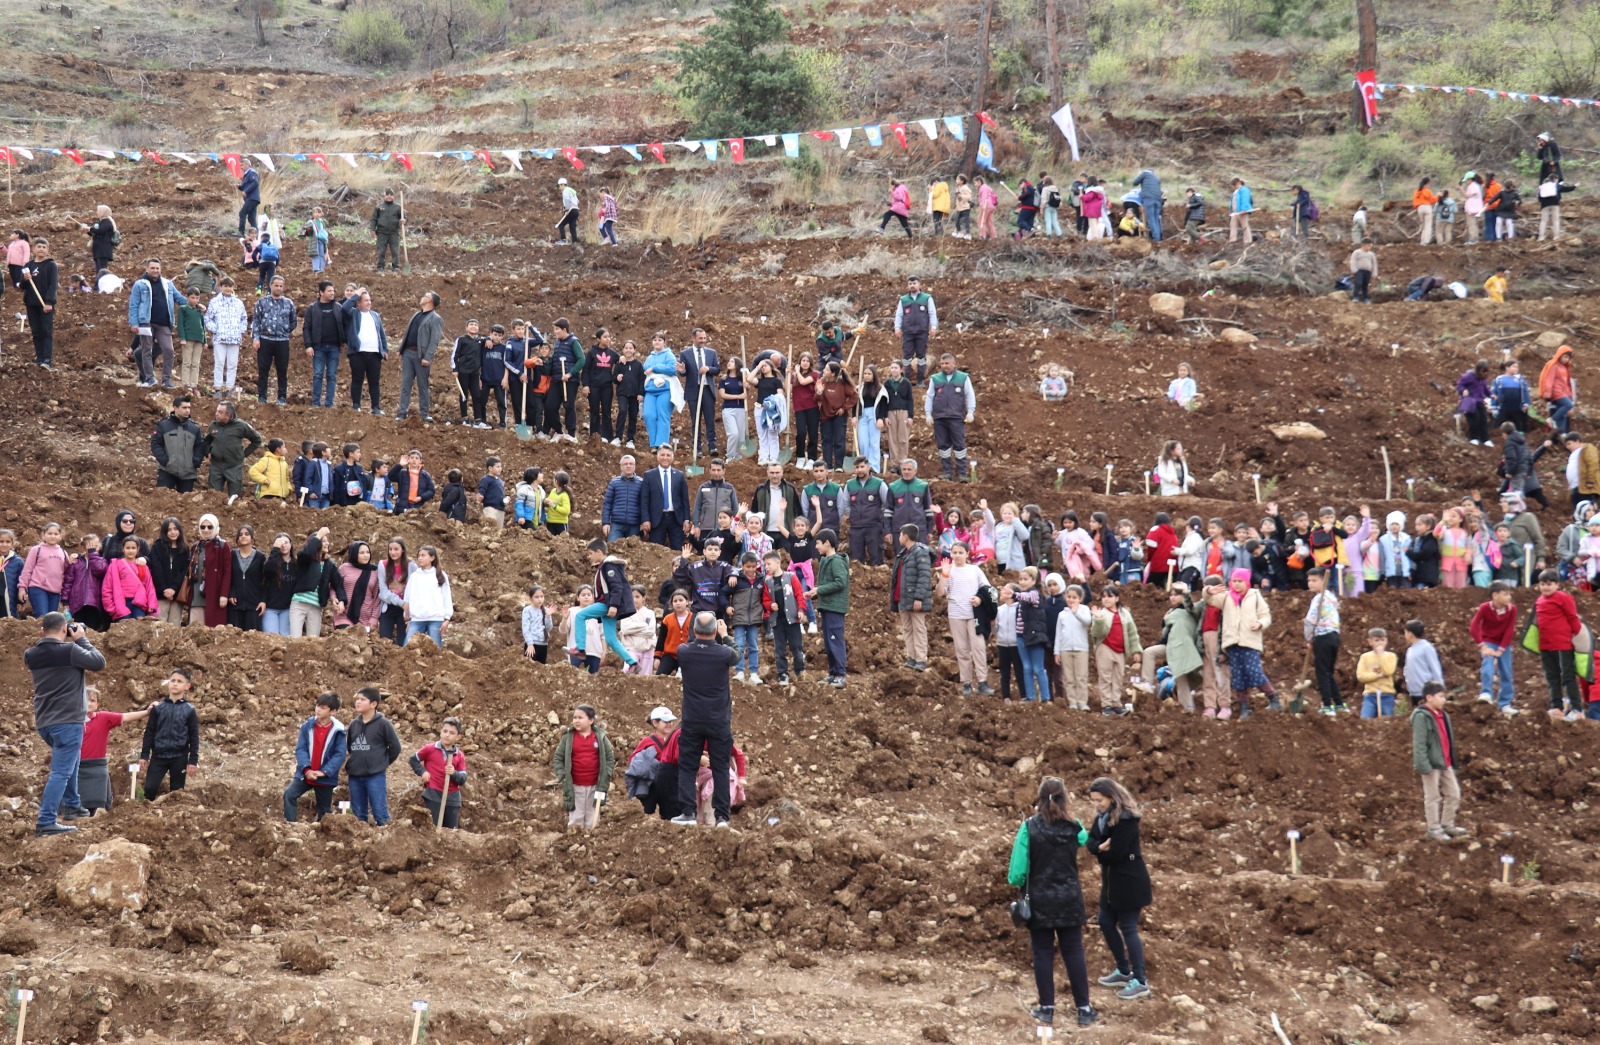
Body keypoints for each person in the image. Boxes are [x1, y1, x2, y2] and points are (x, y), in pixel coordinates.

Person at [1006, 777, 1100, 1029]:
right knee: (1074, 952)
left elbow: (1016, 873)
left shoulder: (1029, 827)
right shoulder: (1075, 827)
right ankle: (1084, 1009)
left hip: (1039, 901)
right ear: (1064, 798)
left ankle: (1046, 1009)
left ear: (1038, 799)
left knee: (1043, 953)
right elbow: (1085, 841)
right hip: (1069, 899)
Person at [26, 613, 106, 835]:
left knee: (72, 760)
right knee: (60, 772)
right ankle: (46, 821)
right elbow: (99, 662)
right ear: (65, 630)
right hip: (68, 721)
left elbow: (48, 649)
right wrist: (81, 638)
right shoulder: (70, 651)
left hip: (45, 723)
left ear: (42, 631)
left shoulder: (30, 655)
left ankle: (72, 804)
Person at [1084, 777, 1153, 1000]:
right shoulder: (1102, 819)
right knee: (1105, 922)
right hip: (1111, 884)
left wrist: (1101, 851)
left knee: (1129, 927)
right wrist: (1099, 848)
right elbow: (1090, 840)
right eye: (1094, 801)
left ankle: (1140, 980)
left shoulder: (1126, 820)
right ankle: (1124, 970)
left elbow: (1117, 853)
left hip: (1129, 883)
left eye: (1099, 800)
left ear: (1111, 797)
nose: (1097, 805)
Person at [670, 612, 741, 828]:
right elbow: (737, 656)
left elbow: (690, 645)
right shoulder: (723, 653)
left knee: (687, 765)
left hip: (692, 719)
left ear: (693, 631)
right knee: (720, 767)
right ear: (714, 631)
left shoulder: (684, 651)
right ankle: (722, 817)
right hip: (718, 720)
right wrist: (725, 635)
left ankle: (688, 813)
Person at [1207, 568, 1278, 718]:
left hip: (1250, 641)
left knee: (1254, 672)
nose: (1237, 584)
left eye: (1240, 581)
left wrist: (1260, 623)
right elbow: (1210, 600)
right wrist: (1208, 590)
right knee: (1238, 678)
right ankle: (1244, 709)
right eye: (1234, 581)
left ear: (1246, 582)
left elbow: (1265, 615)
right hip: (1232, 643)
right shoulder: (1226, 597)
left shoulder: (1255, 596)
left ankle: (1273, 699)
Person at [77, 687, 150, 816]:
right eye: (85, 700)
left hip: (97, 768)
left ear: (98, 704)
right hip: (77, 768)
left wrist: (147, 712)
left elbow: (125, 716)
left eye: (93, 700)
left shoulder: (103, 718)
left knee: (98, 804)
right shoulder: (72, 721)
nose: (89, 703)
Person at [1409, 682, 1467, 843]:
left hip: (1445, 762)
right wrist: (1423, 765)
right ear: (1429, 697)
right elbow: (1419, 744)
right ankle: (1434, 828)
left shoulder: (1443, 715)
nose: (1444, 700)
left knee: (1454, 794)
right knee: (1433, 797)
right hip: (1431, 764)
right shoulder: (1421, 716)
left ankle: (1447, 824)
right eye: (1441, 696)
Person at [573, 539, 639, 671]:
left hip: (607, 604)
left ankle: (580, 649)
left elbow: (616, 586)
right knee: (610, 639)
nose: (589, 557)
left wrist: (614, 605)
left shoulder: (608, 566)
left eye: (590, 553)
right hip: (608, 605)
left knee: (580, 616)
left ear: (599, 552)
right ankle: (632, 662)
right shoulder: (603, 567)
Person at [281, 693, 347, 824]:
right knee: (289, 794)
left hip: (325, 778)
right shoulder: (307, 726)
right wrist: (306, 769)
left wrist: (324, 772)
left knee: (325, 810)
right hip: (305, 774)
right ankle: (290, 825)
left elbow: (339, 755)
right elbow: (301, 749)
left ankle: (321, 835)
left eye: (323, 707)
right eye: (317, 706)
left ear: (333, 711)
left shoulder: (338, 731)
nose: (318, 709)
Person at [339, 687, 401, 826]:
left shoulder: (383, 724)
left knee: (380, 813)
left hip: (375, 775)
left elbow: (395, 748)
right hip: (355, 775)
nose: (358, 702)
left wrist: (382, 763)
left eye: (362, 699)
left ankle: (385, 842)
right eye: (357, 699)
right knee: (358, 815)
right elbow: (350, 747)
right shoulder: (354, 724)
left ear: (373, 704)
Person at [1532, 569, 1585, 719]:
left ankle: (1577, 709)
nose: (1546, 587)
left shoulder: (1563, 598)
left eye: (1549, 584)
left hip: (1563, 644)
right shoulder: (1539, 600)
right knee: (1551, 677)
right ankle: (1556, 707)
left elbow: (1572, 617)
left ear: (1557, 585)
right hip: (1546, 645)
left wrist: (1578, 635)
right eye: (1542, 584)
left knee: (1567, 676)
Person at [140, 668, 200, 801]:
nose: (175, 683)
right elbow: (149, 732)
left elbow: (194, 736)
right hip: (158, 756)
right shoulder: (158, 708)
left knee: (177, 793)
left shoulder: (189, 710)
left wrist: (193, 760)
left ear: (187, 686)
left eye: (179, 681)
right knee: (149, 789)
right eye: (172, 680)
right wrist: (144, 755)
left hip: (179, 757)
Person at [553, 704, 614, 831]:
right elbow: (558, 758)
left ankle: (591, 843)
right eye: (574, 717)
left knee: (593, 819)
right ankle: (575, 843)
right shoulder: (568, 738)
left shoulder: (600, 738)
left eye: (580, 717)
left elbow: (609, 758)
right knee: (576, 818)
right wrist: (562, 775)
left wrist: (606, 775)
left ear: (591, 720)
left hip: (595, 786)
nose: (576, 720)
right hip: (575, 786)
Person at [127, 257, 187, 388]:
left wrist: (195, 304)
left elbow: (179, 298)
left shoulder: (167, 284)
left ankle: (166, 380)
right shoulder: (139, 284)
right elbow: (133, 305)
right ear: (147, 269)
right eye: (152, 268)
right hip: (146, 322)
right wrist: (134, 323)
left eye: (157, 268)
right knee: (146, 350)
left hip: (164, 323)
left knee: (169, 350)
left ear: (161, 269)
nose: (155, 270)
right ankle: (150, 379)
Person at [925, 353, 976, 482]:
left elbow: (969, 395)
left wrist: (970, 412)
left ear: (954, 364)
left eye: (947, 363)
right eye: (942, 364)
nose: (944, 366)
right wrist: (928, 413)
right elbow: (930, 396)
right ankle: (947, 472)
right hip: (940, 417)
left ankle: (962, 473)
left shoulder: (963, 378)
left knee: (959, 445)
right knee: (943, 446)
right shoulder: (935, 379)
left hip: (957, 417)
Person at [410, 717, 468, 829]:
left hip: (452, 798)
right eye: (445, 731)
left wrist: (454, 773)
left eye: (452, 733)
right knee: (433, 827)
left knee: (451, 831)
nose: (447, 735)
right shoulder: (430, 749)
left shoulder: (459, 755)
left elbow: (462, 778)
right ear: (440, 732)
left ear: (458, 737)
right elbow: (413, 760)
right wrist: (423, 772)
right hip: (433, 795)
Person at [396, 291, 444, 423]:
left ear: (430, 301)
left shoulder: (436, 318)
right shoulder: (416, 314)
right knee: (406, 384)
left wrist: (427, 357)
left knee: (423, 385)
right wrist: (401, 350)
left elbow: (434, 340)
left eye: (425, 296)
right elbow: (408, 333)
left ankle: (424, 413)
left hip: (421, 356)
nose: (422, 297)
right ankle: (402, 412)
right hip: (408, 353)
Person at [892, 524, 934, 671]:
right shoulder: (903, 553)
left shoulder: (920, 553)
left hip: (914, 598)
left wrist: (919, 598)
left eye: (900, 535)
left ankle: (921, 659)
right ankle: (911, 657)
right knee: (908, 629)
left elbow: (924, 576)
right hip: (902, 598)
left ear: (905, 536)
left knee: (918, 628)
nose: (898, 538)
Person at [249, 274, 295, 404]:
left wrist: (284, 330)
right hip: (265, 340)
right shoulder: (262, 302)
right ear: (270, 286)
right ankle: (262, 396)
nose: (278, 288)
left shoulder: (288, 303)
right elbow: (256, 321)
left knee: (282, 370)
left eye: (281, 286)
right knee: (263, 369)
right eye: (276, 285)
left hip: (282, 341)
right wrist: (256, 338)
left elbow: (293, 321)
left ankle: (281, 397)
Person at [201, 401, 263, 499]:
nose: (216, 414)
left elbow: (257, 440)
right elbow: (206, 441)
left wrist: (243, 454)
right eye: (217, 411)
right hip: (216, 466)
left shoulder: (241, 426)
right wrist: (207, 452)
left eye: (220, 412)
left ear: (228, 415)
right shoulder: (213, 425)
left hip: (233, 467)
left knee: (234, 497)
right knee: (213, 497)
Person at [342, 289, 387, 414]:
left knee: (374, 382)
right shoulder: (353, 313)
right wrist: (356, 294)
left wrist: (385, 349)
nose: (369, 303)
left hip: (374, 354)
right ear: (358, 303)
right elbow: (344, 308)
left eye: (369, 300)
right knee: (357, 379)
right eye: (366, 300)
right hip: (358, 353)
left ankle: (376, 407)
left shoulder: (375, 315)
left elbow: (381, 334)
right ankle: (356, 405)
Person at [678, 328, 720, 457]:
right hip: (693, 391)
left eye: (704, 338)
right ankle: (697, 448)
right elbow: (683, 373)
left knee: (709, 419)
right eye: (700, 338)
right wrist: (682, 371)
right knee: (695, 420)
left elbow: (717, 369)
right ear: (693, 339)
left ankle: (712, 446)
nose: (703, 341)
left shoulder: (711, 353)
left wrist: (708, 369)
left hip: (707, 389)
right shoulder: (685, 353)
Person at [641, 445, 691, 550]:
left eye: (668, 455)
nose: (665, 457)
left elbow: (685, 500)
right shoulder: (649, 475)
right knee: (656, 551)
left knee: (678, 550)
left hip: (676, 519)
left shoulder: (679, 475)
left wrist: (686, 519)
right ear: (657, 456)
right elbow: (644, 500)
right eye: (662, 455)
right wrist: (645, 519)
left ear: (672, 457)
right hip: (657, 520)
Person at [401, 545, 453, 648]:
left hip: (436, 619)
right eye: (419, 555)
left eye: (423, 555)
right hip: (417, 619)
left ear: (432, 558)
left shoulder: (440, 575)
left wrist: (447, 619)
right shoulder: (414, 577)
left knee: (436, 650)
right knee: (407, 647)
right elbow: (408, 598)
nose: (420, 558)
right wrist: (408, 619)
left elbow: (447, 598)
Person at [151, 396, 204, 493]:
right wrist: (166, 461)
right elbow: (156, 444)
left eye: (189, 407)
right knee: (162, 500)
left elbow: (199, 447)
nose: (187, 410)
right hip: (167, 471)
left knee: (185, 505)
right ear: (175, 408)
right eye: (184, 408)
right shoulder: (163, 425)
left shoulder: (194, 428)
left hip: (188, 474)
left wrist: (195, 462)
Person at [894, 275, 937, 384]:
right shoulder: (903, 300)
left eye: (914, 283)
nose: (912, 285)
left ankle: (920, 380)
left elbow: (932, 313)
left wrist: (933, 327)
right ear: (908, 286)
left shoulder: (927, 298)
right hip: (908, 333)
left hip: (922, 332)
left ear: (919, 284)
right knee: (907, 357)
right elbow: (899, 315)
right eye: (910, 284)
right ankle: (906, 380)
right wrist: (897, 328)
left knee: (921, 357)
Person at [1402, 619, 1444, 711]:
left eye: (1405, 632)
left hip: (1426, 692)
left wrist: (1440, 689)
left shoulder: (1426, 647)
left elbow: (1435, 668)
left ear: (1410, 634)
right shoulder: (1410, 650)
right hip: (1414, 692)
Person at [1539, 344, 1576, 435]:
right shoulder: (1553, 365)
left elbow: (1566, 384)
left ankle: (1561, 433)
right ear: (1559, 355)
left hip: (1562, 392)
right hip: (1556, 392)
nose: (1566, 359)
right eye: (1565, 357)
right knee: (1568, 404)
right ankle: (1552, 420)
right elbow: (1548, 378)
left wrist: (1569, 395)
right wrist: (1547, 392)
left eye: (1568, 358)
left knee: (1563, 412)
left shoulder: (1564, 367)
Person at [1457, 361, 1492, 446]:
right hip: (1470, 401)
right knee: (1473, 419)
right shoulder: (1469, 376)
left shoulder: (1483, 379)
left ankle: (1485, 438)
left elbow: (1485, 389)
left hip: (1480, 401)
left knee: (1483, 419)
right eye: (1483, 371)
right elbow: (1459, 384)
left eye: (1486, 371)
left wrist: (1491, 395)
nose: (1484, 373)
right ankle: (1473, 437)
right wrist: (1463, 390)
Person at [369, 189, 404, 271]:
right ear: (384, 196)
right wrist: (372, 229)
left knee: (395, 251)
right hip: (381, 233)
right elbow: (374, 219)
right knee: (381, 251)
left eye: (391, 195)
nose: (389, 196)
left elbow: (404, 217)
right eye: (387, 194)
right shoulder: (379, 207)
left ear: (393, 196)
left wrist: (403, 220)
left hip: (394, 233)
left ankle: (395, 267)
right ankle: (380, 267)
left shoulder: (398, 207)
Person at [235, 158, 260, 237]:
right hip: (253, 199)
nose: (241, 167)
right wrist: (240, 187)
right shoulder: (246, 175)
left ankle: (241, 232)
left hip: (252, 198)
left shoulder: (252, 173)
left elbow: (255, 183)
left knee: (242, 213)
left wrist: (246, 191)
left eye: (242, 165)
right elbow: (246, 186)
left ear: (247, 165)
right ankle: (256, 235)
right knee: (251, 218)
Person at [1348, 239, 1376, 304]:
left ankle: (1366, 298)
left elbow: (1374, 264)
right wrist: (1354, 270)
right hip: (1359, 271)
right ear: (1363, 245)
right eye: (1368, 245)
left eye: (1370, 246)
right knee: (1358, 283)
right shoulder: (1357, 252)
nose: (1369, 247)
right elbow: (1353, 261)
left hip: (1368, 271)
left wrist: (1374, 273)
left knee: (1365, 285)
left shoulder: (1371, 254)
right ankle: (1355, 297)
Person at [1228, 178, 1253, 243]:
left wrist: (1244, 209)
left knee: (1244, 225)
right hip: (1235, 212)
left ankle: (1248, 240)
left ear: (1236, 184)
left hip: (1242, 212)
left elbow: (1245, 200)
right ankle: (1232, 240)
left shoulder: (1244, 190)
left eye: (1232, 186)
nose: (1232, 187)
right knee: (1233, 225)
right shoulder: (1236, 191)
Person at [556, 178, 580, 244]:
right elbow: (577, 201)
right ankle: (574, 241)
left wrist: (566, 209)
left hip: (570, 210)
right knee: (572, 226)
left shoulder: (565, 191)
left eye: (559, 185)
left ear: (563, 184)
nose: (559, 187)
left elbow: (567, 200)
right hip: (576, 210)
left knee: (561, 224)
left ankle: (563, 240)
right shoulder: (572, 191)